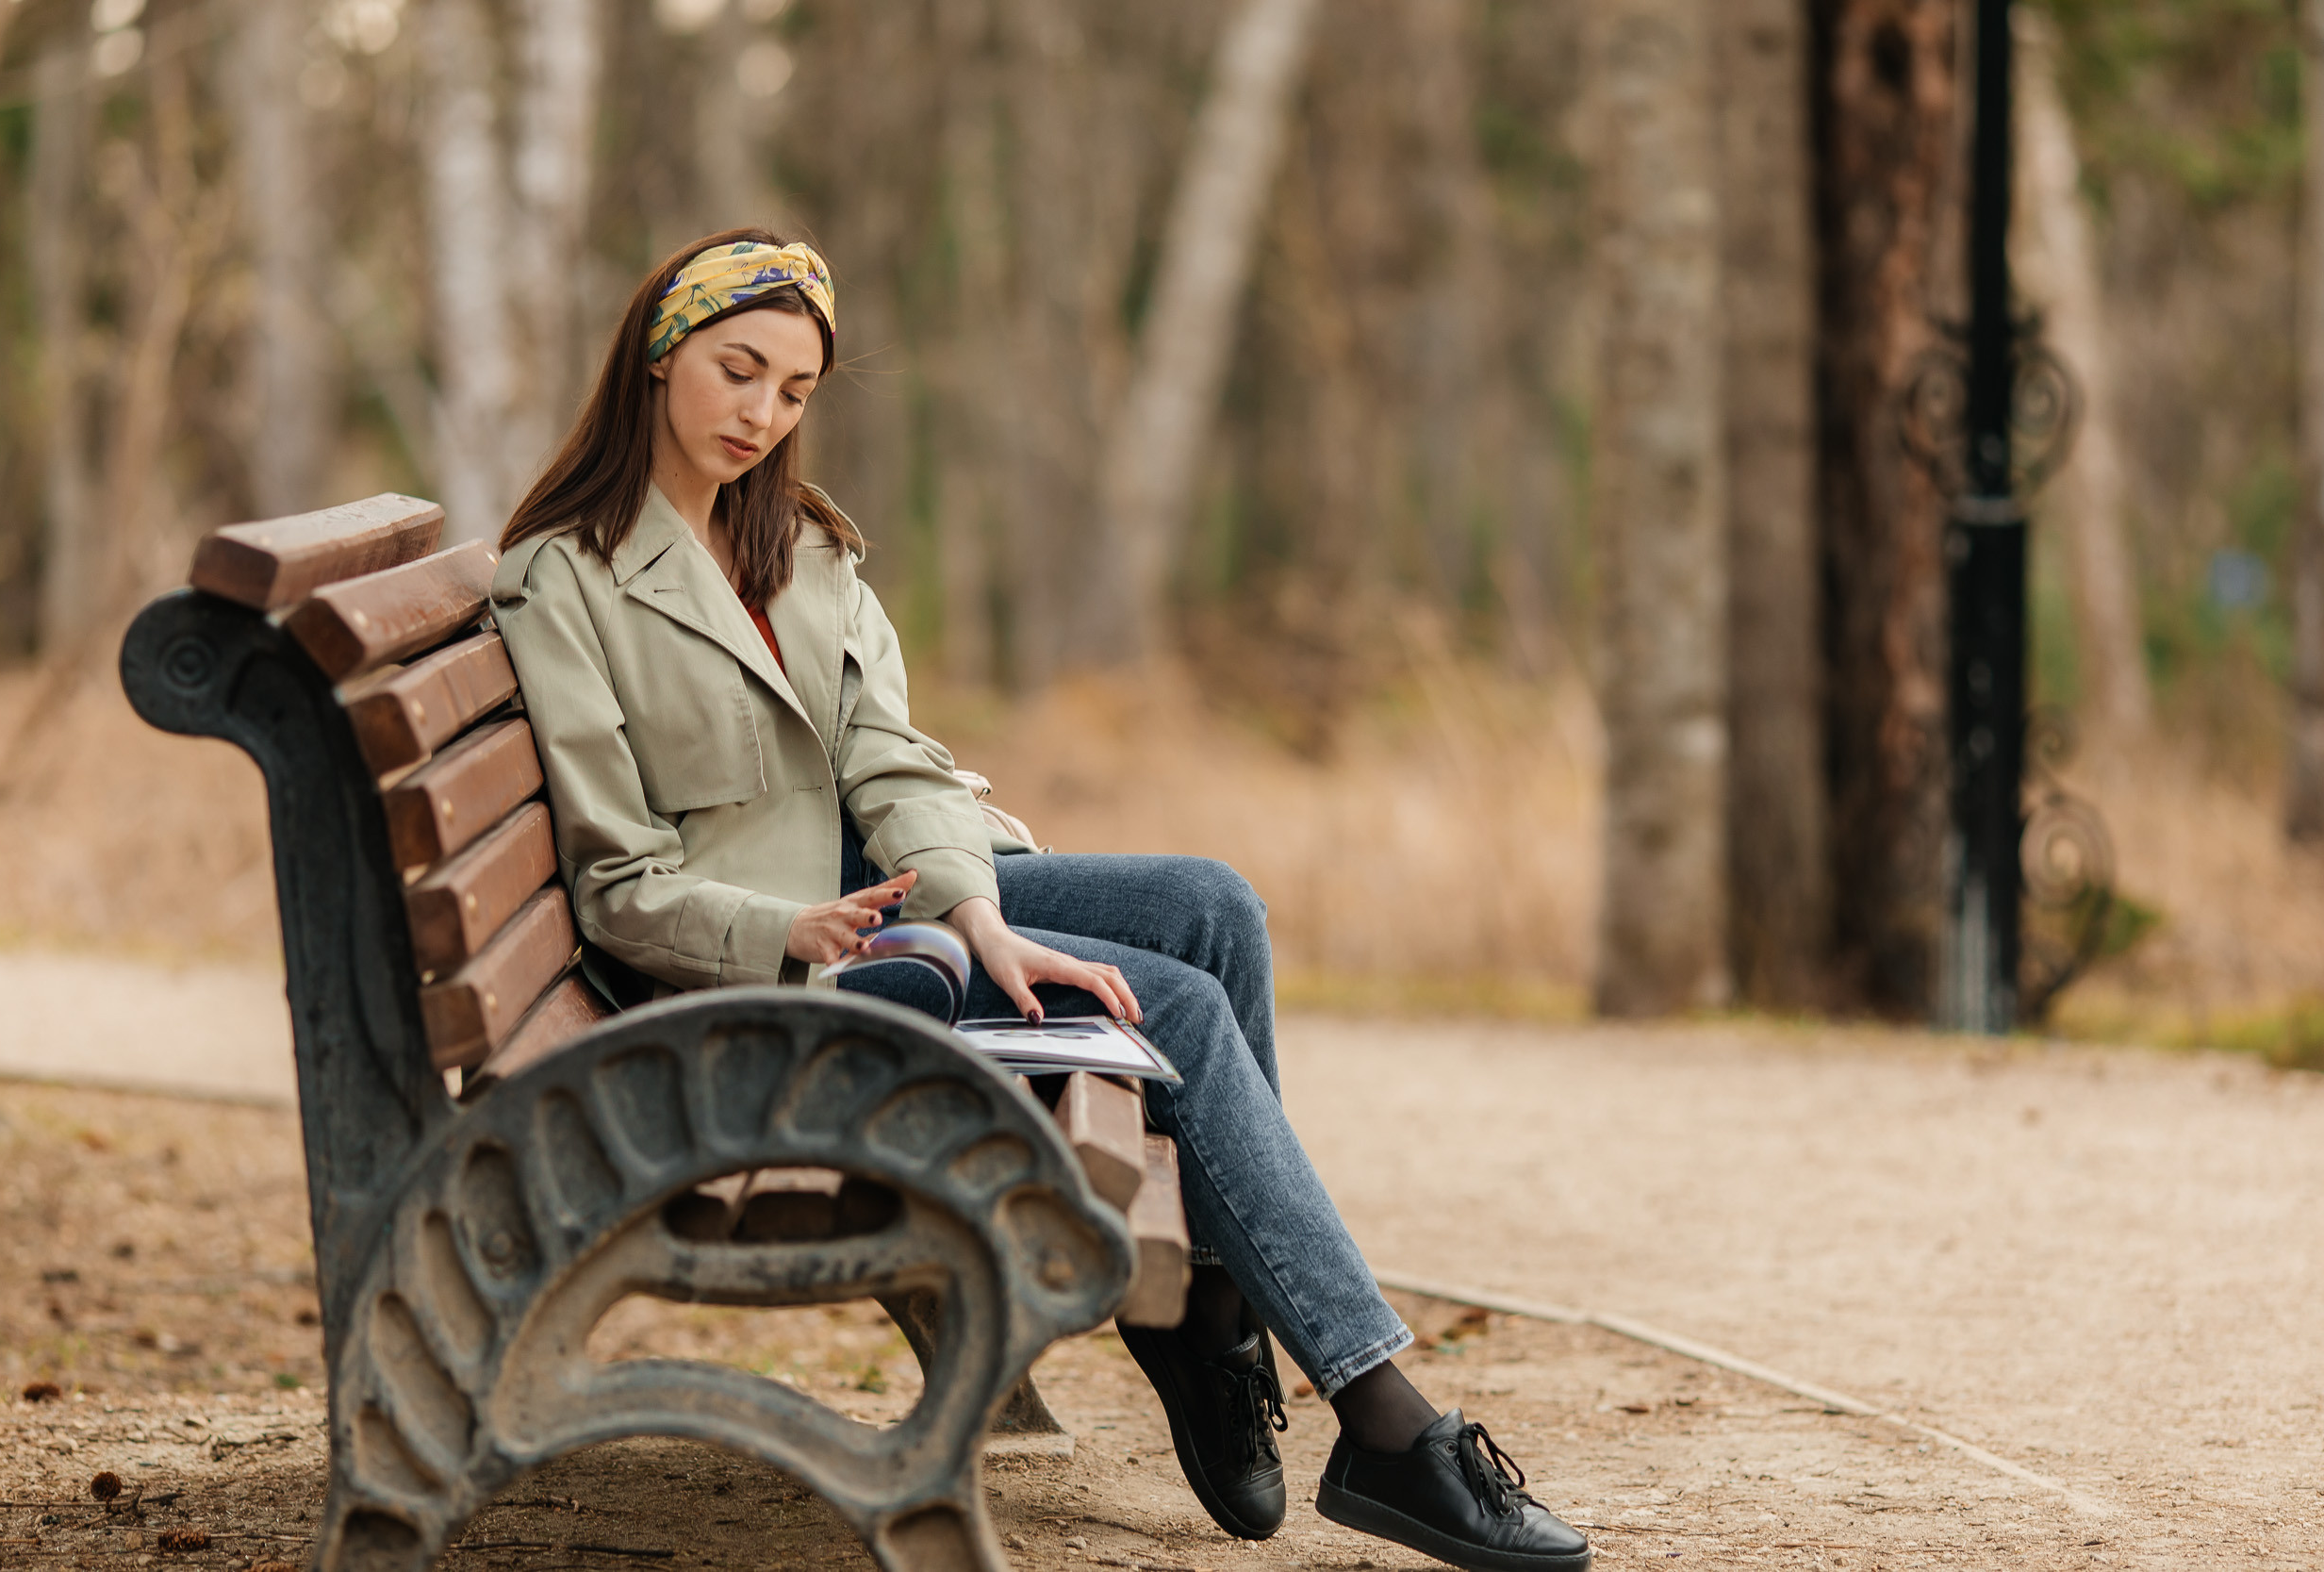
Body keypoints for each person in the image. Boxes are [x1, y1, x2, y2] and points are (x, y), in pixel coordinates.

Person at [490, 227, 1591, 1572]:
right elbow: (613, 885)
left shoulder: (796, 545)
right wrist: (788, 931)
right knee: (1171, 1009)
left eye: (793, 391)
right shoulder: (569, 577)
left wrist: (979, 911)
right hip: (765, 967)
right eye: (739, 372)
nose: (762, 415)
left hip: (881, 902)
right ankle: (1384, 1421)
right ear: (660, 354)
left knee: (1209, 905)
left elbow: (888, 760)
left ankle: (1213, 1315)